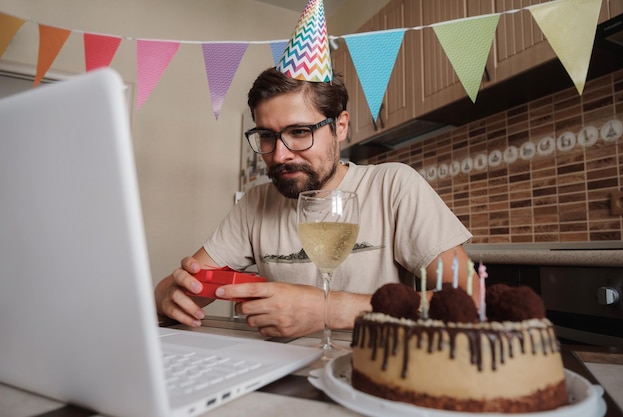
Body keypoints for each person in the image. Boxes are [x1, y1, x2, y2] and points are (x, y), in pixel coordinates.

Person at [154, 67, 480, 338]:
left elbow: (472, 301)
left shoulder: (393, 185)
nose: (280, 154)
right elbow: (169, 293)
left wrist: (326, 309)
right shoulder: (256, 203)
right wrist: (172, 295)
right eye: (267, 136)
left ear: (339, 126)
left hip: (370, 371)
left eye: (298, 132)